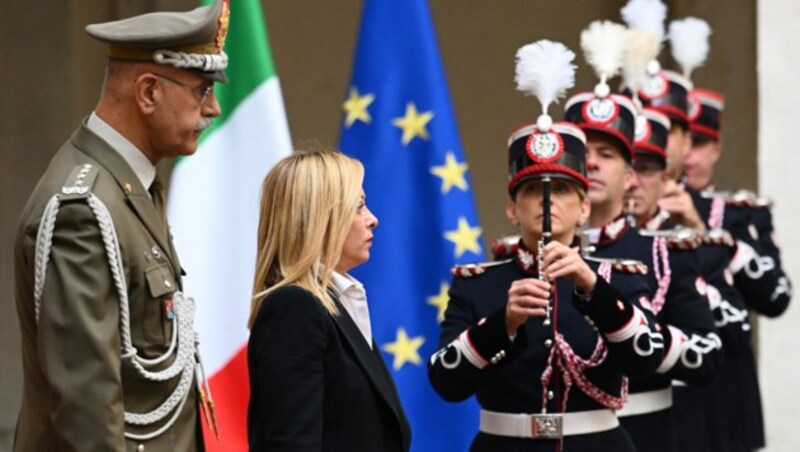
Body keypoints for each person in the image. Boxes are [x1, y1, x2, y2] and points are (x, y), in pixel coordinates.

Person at [13, 2, 229, 451]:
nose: (212, 108)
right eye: (201, 89)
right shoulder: (83, 209)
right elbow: (86, 412)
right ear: (148, 92)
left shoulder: (131, 185)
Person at [428, 40, 664, 451]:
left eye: (562, 192)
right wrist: (504, 323)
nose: (547, 201)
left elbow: (646, 358)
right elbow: (445, 382)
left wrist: (593, 287)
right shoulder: (477, 284)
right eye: (533, 190)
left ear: (584, 207)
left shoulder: (617, 278)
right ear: (511, 209)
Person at [563, 67, 722, 451]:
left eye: (607, 154)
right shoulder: (535, 252)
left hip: (644, 435)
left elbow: (706, 355)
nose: (594, 164)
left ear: (630, 174)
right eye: (584, 153)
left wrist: (638, 338)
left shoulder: (664, 252)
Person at [247, 149, 411, 451]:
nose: (372, 220)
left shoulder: (335, 303)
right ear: (318, 217)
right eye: (358, 206)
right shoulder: (294, 308)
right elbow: (293, 443)